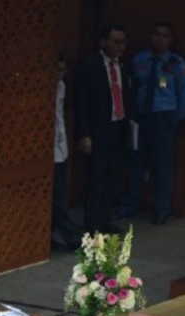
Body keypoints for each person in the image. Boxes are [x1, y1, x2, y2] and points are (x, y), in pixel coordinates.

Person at [120, 22, 185, 225]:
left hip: (164, 117)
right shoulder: (140, 59)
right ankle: (129, 205)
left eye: (165, 36)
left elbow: (182, 93)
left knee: (162, 166)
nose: (159, 39)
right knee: (136, 163)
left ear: (171, 40)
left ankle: (161, 209)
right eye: (156, 34)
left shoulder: (177, 64)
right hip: (140, 117)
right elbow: (131, 87)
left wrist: (177, 118)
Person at [74, 24, 131, 234]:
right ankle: (93, 225)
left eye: (122, 42)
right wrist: (83, 133)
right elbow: (81, 101)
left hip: (117, 127)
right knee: (96, 178)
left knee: (111, 176)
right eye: (115, 42)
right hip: (97, 131)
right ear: (103, 42)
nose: (120, 46)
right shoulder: (90, 65)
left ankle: (104, 220)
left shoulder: (122, 66)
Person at [52, 54, 82, 252]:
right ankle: (71, 237)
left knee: (59, 194)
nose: (60, 74)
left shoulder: (61, 87)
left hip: (59, 148)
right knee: (56, 197)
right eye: (57, 69)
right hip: (49, 151)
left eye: (63, 70)